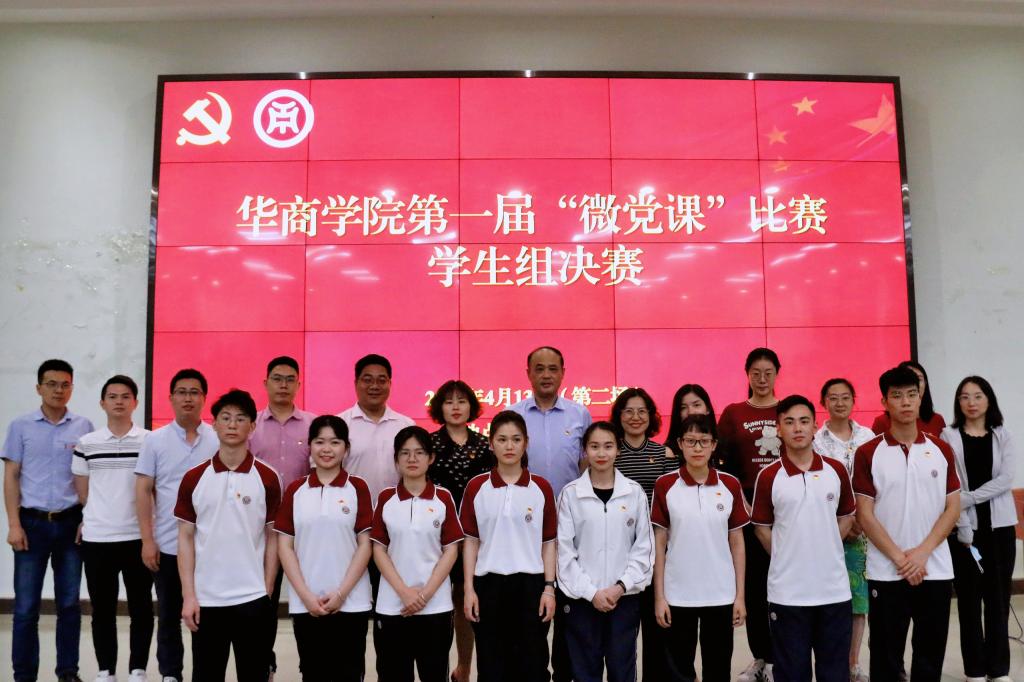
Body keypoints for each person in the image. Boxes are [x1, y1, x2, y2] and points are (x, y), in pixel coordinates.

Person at [853, 366, 961, 682]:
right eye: (897, 396)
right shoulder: (868, 452)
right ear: (884, 402)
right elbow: (865, 514)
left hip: (934, 569)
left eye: (911, 394)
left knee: (929, 657)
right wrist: (901, 559)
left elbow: (953, 508)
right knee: (886, 659)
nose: (906, 402)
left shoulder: (941, 449)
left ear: (920, 397)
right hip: (887, 572)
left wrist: (922, 553)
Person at [175, 389, 282, 681]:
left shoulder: (268, 477)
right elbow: (185, 538)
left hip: (252, 598)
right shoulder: (194, 477)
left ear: (252, 427)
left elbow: (273, 537)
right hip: (207, 600)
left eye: (240, 418)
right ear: (214, 424)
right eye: (225, 418)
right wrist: (189, 596)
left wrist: (267, 589)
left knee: (254, 674)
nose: (232, 424)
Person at [752, 395, 856, 682]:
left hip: (833, 591)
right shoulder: (769, 476)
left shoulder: (835, 470)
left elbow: (847, 517)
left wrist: (825, 547)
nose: (797, 428)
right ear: (778, 429)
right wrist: (786, 554)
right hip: (788, 593)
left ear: (814, 427)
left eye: (804, 421)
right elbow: (761, 528)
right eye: (789, 422)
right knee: (791, 673)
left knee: (835, 673)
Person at [3, 359, 94, 682]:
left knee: (69, 604)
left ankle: (67, 671)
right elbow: (11, 476)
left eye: (65, 384)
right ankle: (24, 675)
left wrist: (88, 519)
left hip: (71, 523)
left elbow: (90, 477)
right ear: (38, 387)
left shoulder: (83, 427)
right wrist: (13, 524)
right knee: (26, 607)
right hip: (32, 524)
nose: (58, 390)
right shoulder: (20, 426)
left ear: (72, 387)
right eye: (52, 384)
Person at [509, 346, 591, 682]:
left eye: (553, 368)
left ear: (563, 373)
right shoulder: (513, 414)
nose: (546, 375)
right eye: (539, 368)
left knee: (570, 611)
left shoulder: (580, 415)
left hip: (571, 526)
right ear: (528, 373)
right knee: (533, 612)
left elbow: (586, 466)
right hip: (525, 529)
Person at [461, 410, 558, 682]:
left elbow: (548, 543)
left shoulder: (541, 488)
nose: (509, 446)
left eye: (516, 439)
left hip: (531, 586)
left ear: (526, 443)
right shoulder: (477, 487)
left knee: (533, 666)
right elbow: (470, 542)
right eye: (502, 439)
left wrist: (549, 589)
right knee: (492, 666)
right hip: (488, 586)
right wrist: (469, 589)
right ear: (491, 444)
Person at [135, 368, 219, 682]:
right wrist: (147, 540)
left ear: (204, 398)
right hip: (168, 544)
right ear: (170, 398)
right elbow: (143, 490)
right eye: (181, 392)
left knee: (205, 616)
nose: (188, 398)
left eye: (194, 392)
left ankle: (203, 674)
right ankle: (171, 674)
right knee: (169, 615)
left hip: (208, 547)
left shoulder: (217, 439)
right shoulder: (154, 440)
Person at [275, 415, 373, 682]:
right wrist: (305, 596)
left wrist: (341, 594)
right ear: (309, 446)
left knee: (349, 673)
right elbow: (285, 546)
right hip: (307, 603)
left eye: (335, 442)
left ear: (346, 448)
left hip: (351, 602)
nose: (327, 449)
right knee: (313, 673)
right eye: (320, 442)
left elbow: (365, 544)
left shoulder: (358, 487)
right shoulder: (296, 490)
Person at [651, 414, 747, 682]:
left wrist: (740, 596)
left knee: (718, 669)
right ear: (680, 444)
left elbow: (737, 543)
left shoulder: (729, 484)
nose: (697, 448)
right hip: (678, 594)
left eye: (704, 441)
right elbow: (659, 544)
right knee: (679, 671)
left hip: (721, 593)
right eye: (690, 441)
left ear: (714, 445)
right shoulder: (665, 485)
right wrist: (659, 597)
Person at [557, 421, 652, 682]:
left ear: (618, 450)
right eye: (594, 446)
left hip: (624, 599)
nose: (601, 453)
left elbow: (644, 549)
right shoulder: (570, 494)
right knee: (585, 673)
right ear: (585, 450)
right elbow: (564, 553)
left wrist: (620, 587)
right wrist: (592, 593)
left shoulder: (634, 493)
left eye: (608, 446)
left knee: (623, 672)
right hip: (582, 601)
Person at [72, 375, 152, 682]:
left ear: (135, 402)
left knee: (141, 608)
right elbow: (83, 490)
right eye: (113, 396)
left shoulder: (150, 441)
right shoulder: (87, 443)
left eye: (125, 396)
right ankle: (106, 670)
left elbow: (154, 489)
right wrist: (95, 515)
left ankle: (137, 669)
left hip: (138, 537)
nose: (119, 401)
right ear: (102, 403)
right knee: (102, 609)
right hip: (98, 538)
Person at [372, 426, 464, 682]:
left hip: (436, 606)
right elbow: (379, 549)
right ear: (396, 459)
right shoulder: (386, 498)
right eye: (405, 453)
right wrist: (404, 592)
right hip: (392, 606)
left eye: (419, 453)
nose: (412, 459)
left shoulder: (443, 497)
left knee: (434, 674)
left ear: (431, 458)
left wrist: (424, 595)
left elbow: (451, 550)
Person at [942, 376, 1018, 682]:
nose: (971, 402)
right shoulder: (948, 436)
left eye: (978, 396)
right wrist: (961, 522)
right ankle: (974, 669)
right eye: (964, 397)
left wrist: (969, 498)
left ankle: (999, 670)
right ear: (958, 402)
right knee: (969, 602)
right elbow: (951, 483)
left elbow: (1006, 479)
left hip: (1000, 529)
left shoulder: (1003, 435)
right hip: (964, 531)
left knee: (998, 601)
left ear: (989, 399)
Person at [716, 347, 782, 682]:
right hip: (747, 507)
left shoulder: (787, 409)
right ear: (747, 374)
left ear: (777, 374)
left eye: (768, 372)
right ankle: (761, 658)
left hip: (786, 507)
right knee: (755, 586)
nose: (762, 378)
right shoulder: (733, 413)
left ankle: (783, 658)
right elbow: (721, 461)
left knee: (784, 583)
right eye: (756, 373)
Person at [250, 355, 315, 680]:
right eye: (277, 378)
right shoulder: (251, 426)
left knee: (308, 599)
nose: (283, 385)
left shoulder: (313, 425)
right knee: (265, 599)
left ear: (298, 384)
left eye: (290, 379)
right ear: (266, 383)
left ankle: (311, 667)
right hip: (261, 529)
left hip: (304, 529)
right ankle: (264, 663)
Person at [426, 380, 494, 682]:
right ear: (439, 407)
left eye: (462, 401)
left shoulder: (485, 445)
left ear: (471, 407)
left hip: (478, 537)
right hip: (435, 537)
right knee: (439, 604)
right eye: (449, 401)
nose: (455, 407)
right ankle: (438, 669)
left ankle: (465, 668)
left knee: (469, 602)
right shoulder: (429, 445)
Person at [812, 378, 875, 682]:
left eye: (845, 397)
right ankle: (831, 663)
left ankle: (853, 663)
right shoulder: (815, 441)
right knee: (830, 603)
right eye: (833, 398)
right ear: (823, 402)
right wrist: (843, 522)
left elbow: (876, 482)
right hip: (829, 528)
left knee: (859, 601)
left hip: (863, 529)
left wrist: (860, 521)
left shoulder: (868, 436)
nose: (839, 403)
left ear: (853, 400)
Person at [608, 388, 670, 681]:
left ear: (651, 416)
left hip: (657, 551)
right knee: (622, 634)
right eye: (629, 411)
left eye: (642, 411)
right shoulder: (611, 452)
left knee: (657, 629)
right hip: (618, 553)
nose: (635, 417)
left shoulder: (664, 454)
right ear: (619, 416)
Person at [339, 353, 416, 502]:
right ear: (356, 383)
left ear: (390, 384)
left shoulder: (406, 425)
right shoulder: (340, 424)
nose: (374, 386)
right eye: (367, 380)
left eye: (381, 381)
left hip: (397, 509)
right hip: (351, 508)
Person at [871, 360, 946, 437]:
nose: (906, 402)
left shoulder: (937, 420)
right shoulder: (881, 422)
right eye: (897, 396)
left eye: (918, 379)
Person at [663, 383, 716, 463]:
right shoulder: (668, 452)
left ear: (708, 409)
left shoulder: (723, 446)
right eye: (683, 407)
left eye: (696, 405)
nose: (690, 412)